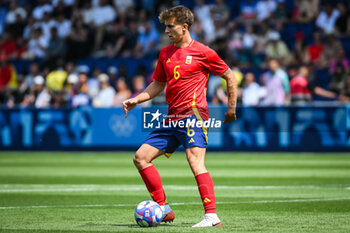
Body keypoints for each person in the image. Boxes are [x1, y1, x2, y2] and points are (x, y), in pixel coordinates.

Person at [122, 5, 237, 228]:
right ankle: (162, 209)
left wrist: (231, 108)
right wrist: (137, 99)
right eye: (165, 26)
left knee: (195, 161)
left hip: (194, 114)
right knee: (140, 158)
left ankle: (211, 216)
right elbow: (158, 83)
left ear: (184, 27)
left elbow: (230, 77)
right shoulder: (165, 53)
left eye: (170, 26)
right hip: (172, 117)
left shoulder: (204, 52)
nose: (166, 31)